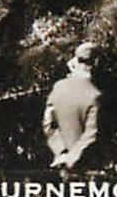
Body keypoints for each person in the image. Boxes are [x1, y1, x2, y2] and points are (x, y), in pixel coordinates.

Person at [44, 42, 103, 173]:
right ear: (97, 62)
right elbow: (91, 134)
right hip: (85, 167)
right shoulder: (95, 95)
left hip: (61, 165)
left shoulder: (58, 87)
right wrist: (72, 157)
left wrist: (61, 153)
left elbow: (49, 125)